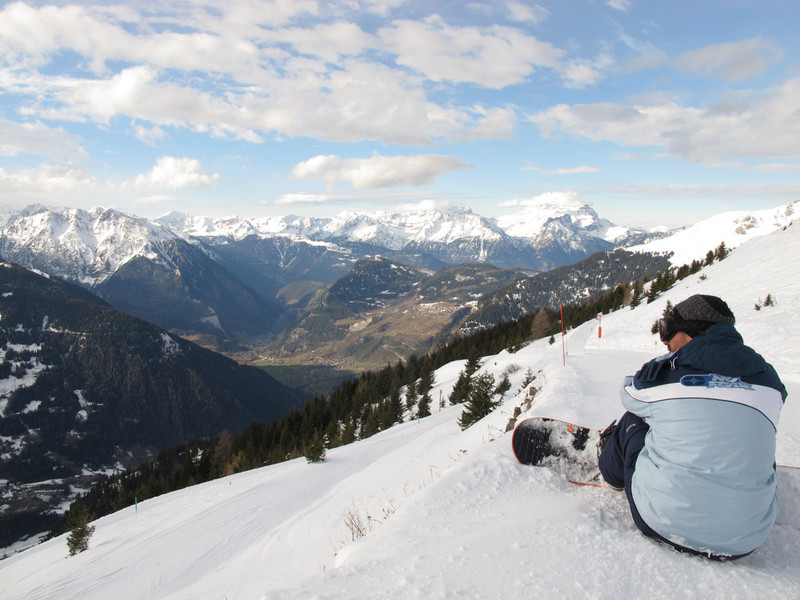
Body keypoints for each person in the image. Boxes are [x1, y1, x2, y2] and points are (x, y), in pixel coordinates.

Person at [598, 294, 787, 559]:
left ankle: (609, 470)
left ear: (691, 332)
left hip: (660, 520)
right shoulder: (770, 380)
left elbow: (629, 394)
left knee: (636, 418)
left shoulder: (665, 373)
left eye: (668, 330)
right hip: (747, 539)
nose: (665, 341)